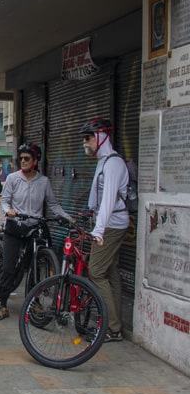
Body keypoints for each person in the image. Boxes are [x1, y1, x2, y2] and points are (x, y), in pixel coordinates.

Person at [0, 142, 72, 320]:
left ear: (35, 160)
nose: (22, 161)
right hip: (15, 226)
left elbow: (53, 204)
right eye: (20, 158)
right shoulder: (13, 178)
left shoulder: (43, 181)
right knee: (8, 267)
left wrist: (68, 217)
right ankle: (2, 304)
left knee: (35, 268)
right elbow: (4, 200)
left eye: (26, 158)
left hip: (34, 227)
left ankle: (33, 303)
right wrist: (8, 211)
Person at [82, 118, 129, 342]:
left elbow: (109, 199)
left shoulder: (113, 164)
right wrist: (88, 214)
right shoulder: (103, 161)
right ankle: (116, 326)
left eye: (88, 137)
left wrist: (98, 231)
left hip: (111, 225)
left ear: (102, 136)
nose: (85, 142)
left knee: (96, 271)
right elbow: (97, 197)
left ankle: (111, 327)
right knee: (111, 272)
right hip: (106, 223)